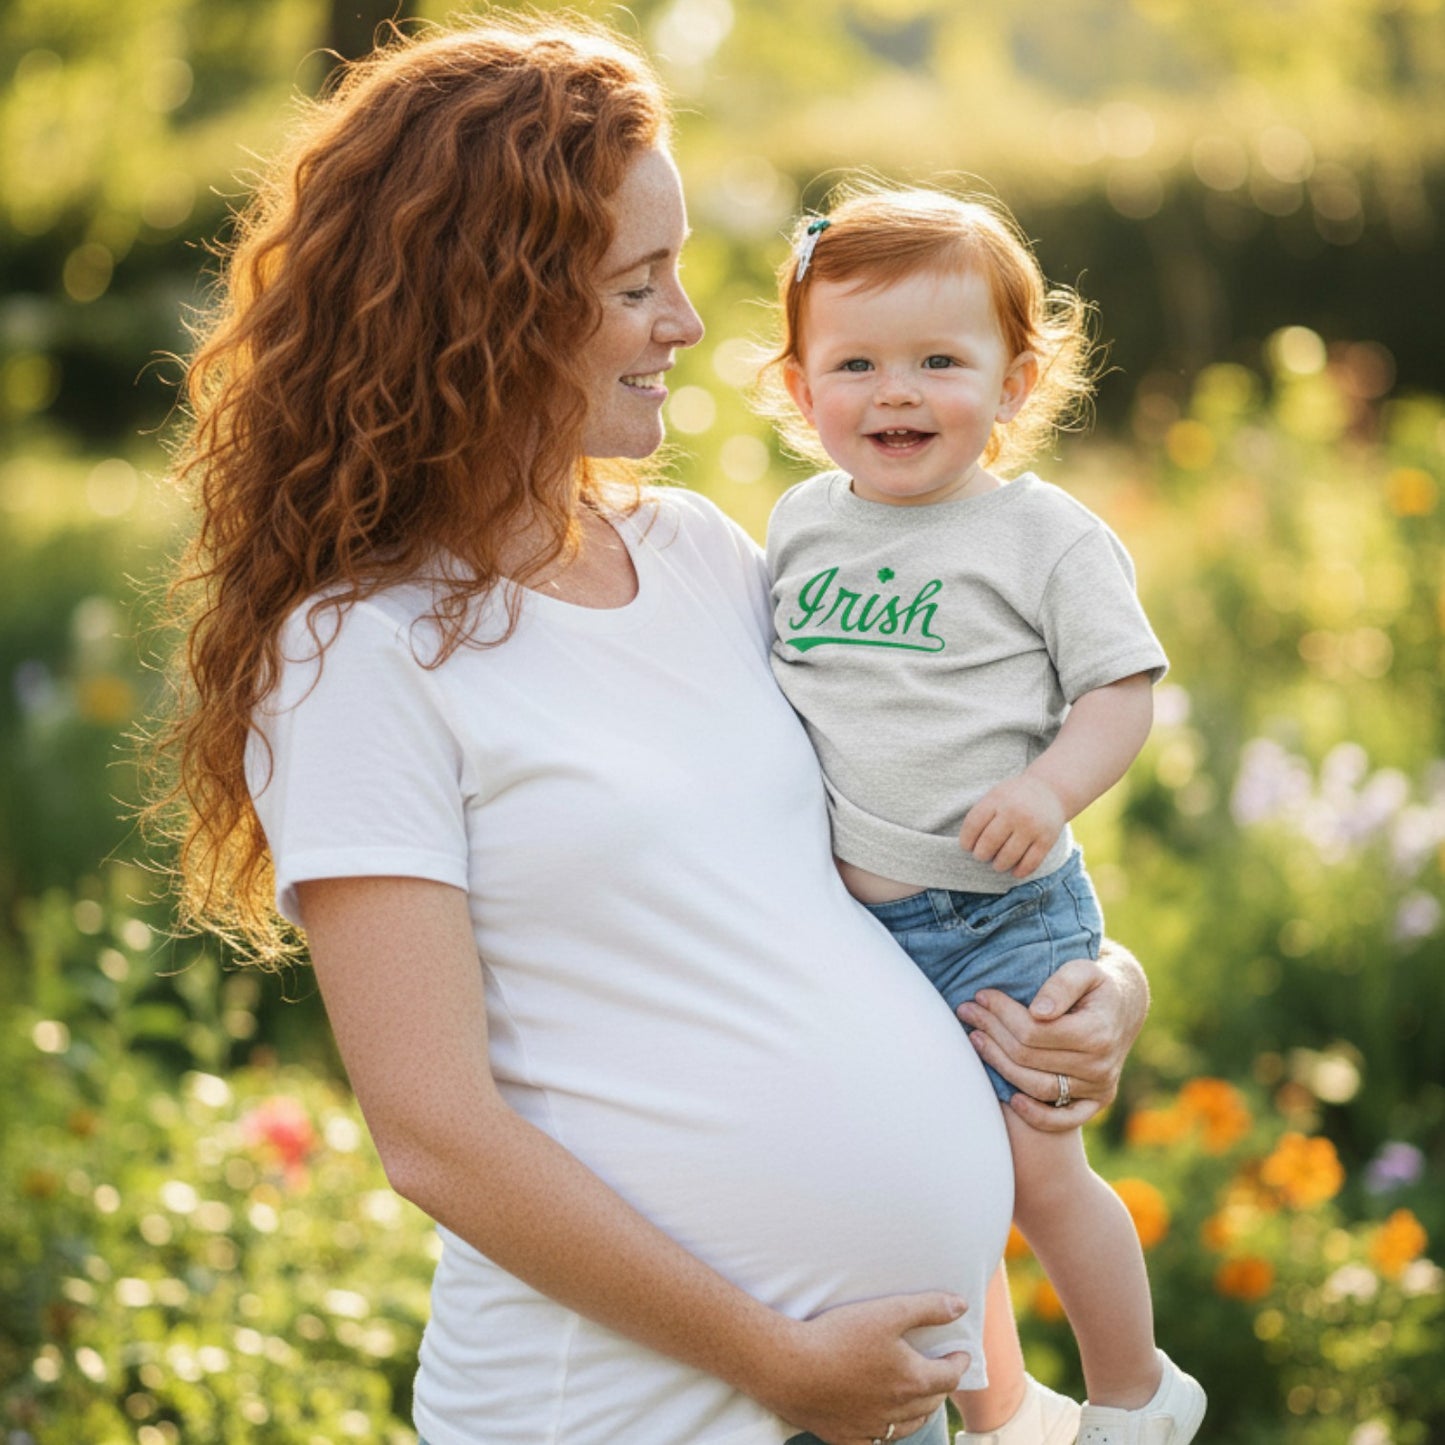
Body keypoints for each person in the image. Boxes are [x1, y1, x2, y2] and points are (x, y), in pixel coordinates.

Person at [154, 17, 1153, 1445]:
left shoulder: (696, 555)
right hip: (642, 1413)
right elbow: (435, 1134)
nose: (688, 324)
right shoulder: (356, 654)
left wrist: (1095, 981)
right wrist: (773, 1358)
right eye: (637, 284)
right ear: (485, 310)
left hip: (884, 1396)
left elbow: (864, 858)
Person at [761, 185, 1206, 1445]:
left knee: (1033, 1171)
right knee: (933, 1185)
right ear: (800, 390)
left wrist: (1046, 785)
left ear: (1014, 382)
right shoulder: (797, 528)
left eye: (938, 362)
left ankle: (1136, 1393)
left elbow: (1121, 690)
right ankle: (999, 1405)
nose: (894, 392)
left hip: (1000, 911)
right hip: (860, 932)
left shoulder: (1038, 535)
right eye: (855, 362)